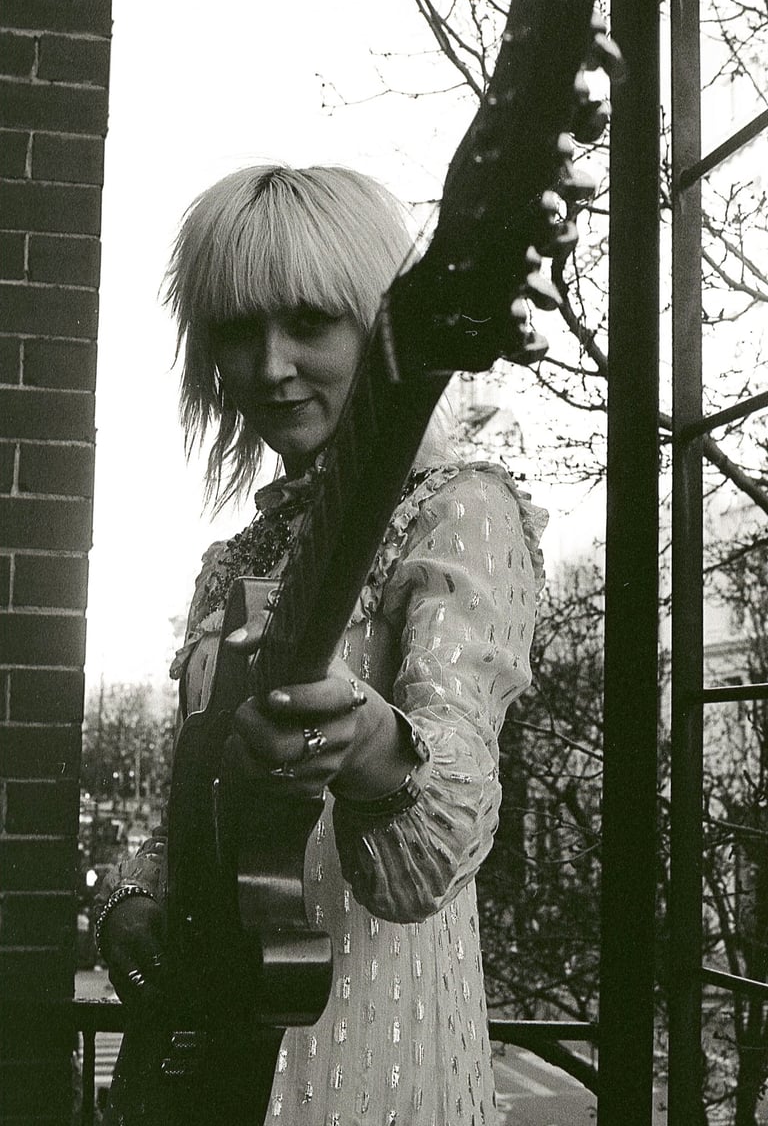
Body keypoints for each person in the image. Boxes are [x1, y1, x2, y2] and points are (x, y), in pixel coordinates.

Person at [94, 164, 547, 1125]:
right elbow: (204, 791)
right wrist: (138, 894)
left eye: (309, 321)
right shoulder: (232, 561)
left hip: (373, 1052)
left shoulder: (461, 512)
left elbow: (436, 854)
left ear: (380, 327)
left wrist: (373, 745)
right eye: (237, 330)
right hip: (209, 1055)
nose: (270, 365)